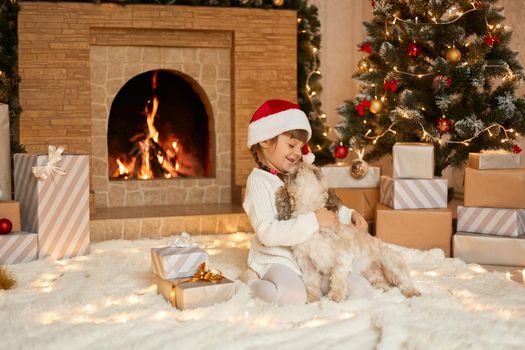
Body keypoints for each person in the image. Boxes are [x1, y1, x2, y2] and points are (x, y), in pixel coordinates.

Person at [243, 99, 374, 306]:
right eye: (291, 144)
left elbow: (319, 201)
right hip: (278, 258)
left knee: (361, 290)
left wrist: (349, 215)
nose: (297, 152)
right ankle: (252, 283)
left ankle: (306, 283)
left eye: (301, 147)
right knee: (293, 297)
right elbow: (267, 232)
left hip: (310, 256)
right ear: (265, 140)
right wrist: (313, 221)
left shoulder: (301, 173)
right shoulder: (258, 181)